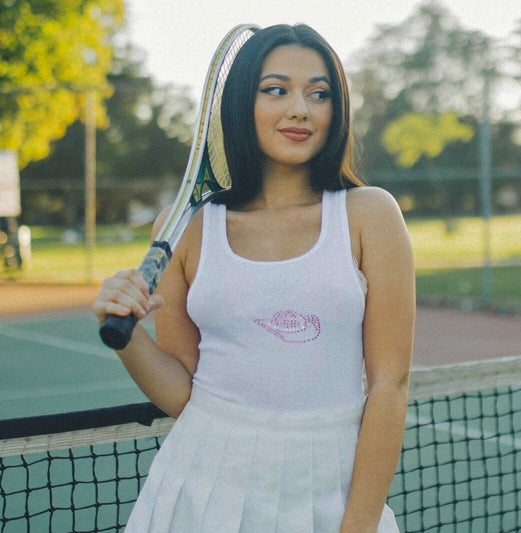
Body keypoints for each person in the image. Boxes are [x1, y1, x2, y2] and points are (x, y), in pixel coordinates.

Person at [93, 23, 415, 533]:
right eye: (276, 90)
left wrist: (358, 525)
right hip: (202, 480)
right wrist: (125, 334)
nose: (299, 109)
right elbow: (182, 390)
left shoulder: (370, 215)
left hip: (331, 481)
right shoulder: (187, 228)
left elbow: (389, 385)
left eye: (319, 93)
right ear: (244, 103)